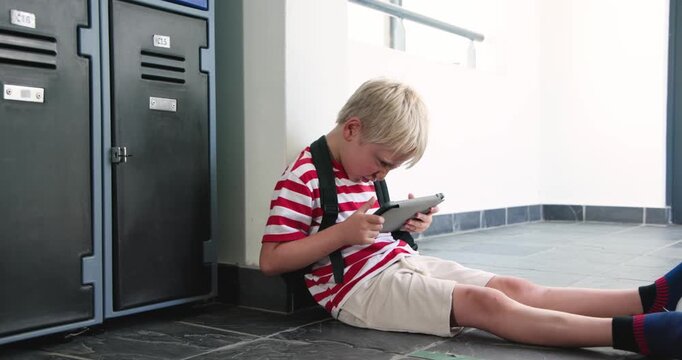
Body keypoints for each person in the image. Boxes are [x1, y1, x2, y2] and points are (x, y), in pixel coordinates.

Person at [259, 78, 682, 358]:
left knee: (514, 287)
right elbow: (272, 260)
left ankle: (648, 299)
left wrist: (403, 225)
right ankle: (633, 334)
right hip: (357, 292)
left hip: (398, 263)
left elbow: (368, 229)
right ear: (352, 130)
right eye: (382, 163)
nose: (382, 175)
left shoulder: (361, 164)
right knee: (487, 303)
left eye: (391, 168)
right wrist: (341, 233)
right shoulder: (303, 177)